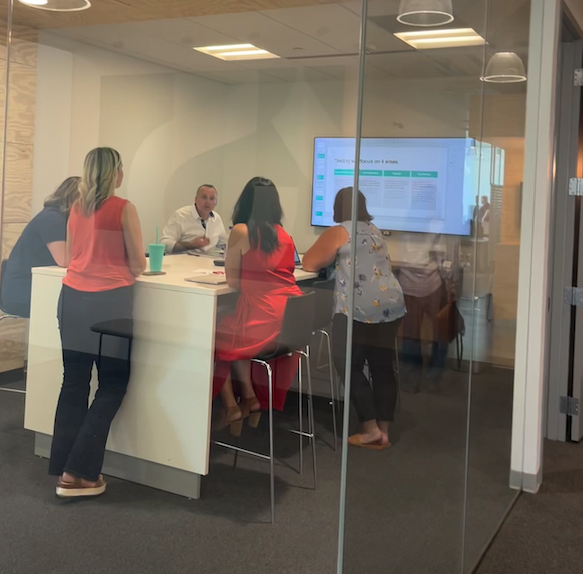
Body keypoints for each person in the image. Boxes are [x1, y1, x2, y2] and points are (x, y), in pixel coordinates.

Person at [49, 147, 146, 499]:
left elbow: (74, 256)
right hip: (110, 305)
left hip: (72, 300)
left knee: (73, 383)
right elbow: (138, 265)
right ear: (115, 173)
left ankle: (64, 469)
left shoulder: (76, 208)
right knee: (112, 385)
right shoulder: (124, 208)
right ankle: (82, 473)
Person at [302, 187, 406, 449]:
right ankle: (383, 431)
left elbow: (310, 263)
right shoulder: (374, 230)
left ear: (338, 208)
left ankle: (369, 429)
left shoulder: (340, 231)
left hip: (358, 309)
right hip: (391, 305)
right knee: (382, 367)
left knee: (347, 364)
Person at [213, 177, 302, 434]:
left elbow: (232, 279)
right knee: (233, 332)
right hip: (287, 320)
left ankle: (231, 406)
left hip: (261, 316)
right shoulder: (283, 234)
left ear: (246, 201)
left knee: (216, 335)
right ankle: (250, 399)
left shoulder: (241, 231)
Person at [1, 176, 80, 318]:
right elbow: (64, 260)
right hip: (23, 292)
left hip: (34, 287)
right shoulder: (52, 219)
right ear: (74, 199)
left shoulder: (57, 218)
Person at [395, 233, 449, 393]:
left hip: (409, 286)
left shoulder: (404, 227)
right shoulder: (436, 227)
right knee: (440, 335)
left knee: (411, 335)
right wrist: (449, 281)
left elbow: (395, 254)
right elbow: (443, 259)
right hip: (432, 285)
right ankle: (434, 378)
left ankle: (412, 380)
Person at [160, 185, 228, 255]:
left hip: (209, 262)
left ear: (216, 202)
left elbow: (224, 244)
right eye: (204, 197)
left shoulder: (217, 218)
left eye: (212, 198)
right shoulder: (181, 215)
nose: (208, 202)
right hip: (184, 262)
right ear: (196, 199)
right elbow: (164, 243)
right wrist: (192, 245)